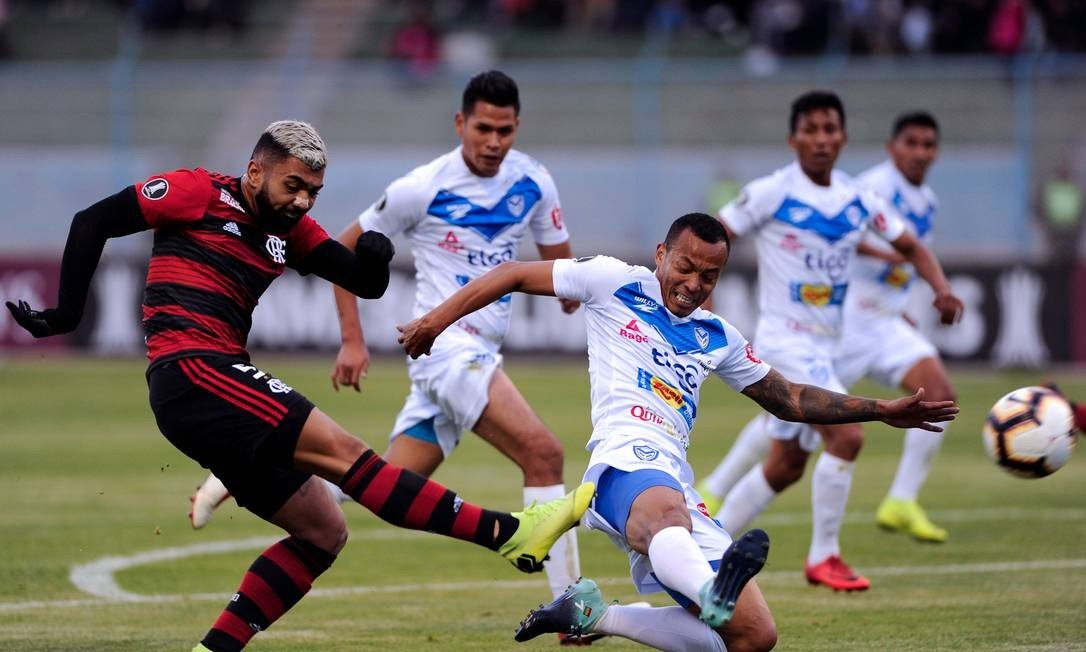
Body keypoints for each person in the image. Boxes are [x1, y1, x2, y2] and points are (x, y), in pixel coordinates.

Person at [4, 120, 592, 652]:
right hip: (195, 370)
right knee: (348, 455)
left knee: (322, 530)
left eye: (313, 191)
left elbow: (361, 280)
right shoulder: (195, 191)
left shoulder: (295, 231)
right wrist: (66, 315)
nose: (302, 201)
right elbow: (94, 222)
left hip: (209, 388)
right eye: (293, 186)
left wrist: (378, 257)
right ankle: (509, 533)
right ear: (255, 171)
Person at [397, 213, 958, 650]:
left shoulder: (717, 335)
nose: (693, 284)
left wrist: (880, 409)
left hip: (675, 481)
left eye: (708, 275)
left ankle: (597, 615)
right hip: (622, 462)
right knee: (670, 519)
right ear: (662, 254)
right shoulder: (616, 282)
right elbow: (515, 274)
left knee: (753, 637)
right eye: (684, 267)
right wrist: (434, 322)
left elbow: (789, 398)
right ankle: (711, 592)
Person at [186, 71, 591, 641]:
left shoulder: (535, 182)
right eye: (482, 128)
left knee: (382, 483)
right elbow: (340, 251)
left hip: (474, 354)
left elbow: (560, 264)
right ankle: (571, 615)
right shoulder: (420, 188)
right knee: (543, 453)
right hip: (444, 347)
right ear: (460, 124)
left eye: (504, 130)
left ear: (517, 127)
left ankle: (243, 472)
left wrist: (577, 297)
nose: (493, 141)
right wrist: (352, 339)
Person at [695, 91, 964, 592]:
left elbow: (910, 244)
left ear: (843, 137)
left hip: (826, 345)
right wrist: (701, 289)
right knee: (848, 436)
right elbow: (714, 231)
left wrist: (942, 288)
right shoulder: (774, 190)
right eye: (811, 130)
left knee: (785, 466)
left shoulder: (858, 198)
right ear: (793, 138)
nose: (821, 140)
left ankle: (709, 551)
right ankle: (824, 556)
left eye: (830, 130)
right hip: (784, 343)